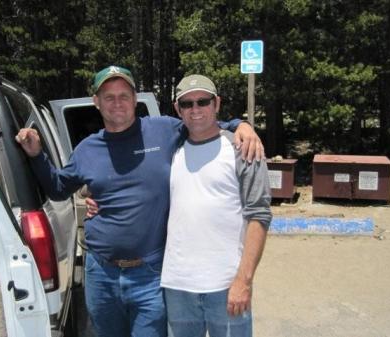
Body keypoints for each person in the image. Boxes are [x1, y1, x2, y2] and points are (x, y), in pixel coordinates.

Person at [15, 65, 263, 337]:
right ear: (96, 102)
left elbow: (202, 122)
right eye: (108, 97)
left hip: (151, 274)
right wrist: (36, 155)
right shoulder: (87, 149)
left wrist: (241, 125)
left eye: (124, 95)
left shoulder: (163, 130)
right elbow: (59, 189)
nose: (117, 103)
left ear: (135, 99)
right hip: (101, 273)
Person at [161, 75, 272, 337]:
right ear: (178, 109)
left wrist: (244, 281)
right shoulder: (170, 149)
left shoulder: (242, 148)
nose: (195, 109)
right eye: (187, 104)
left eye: (203, 101)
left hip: (227, 285)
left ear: (217, 103)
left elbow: (259, 215)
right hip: (178, 287)